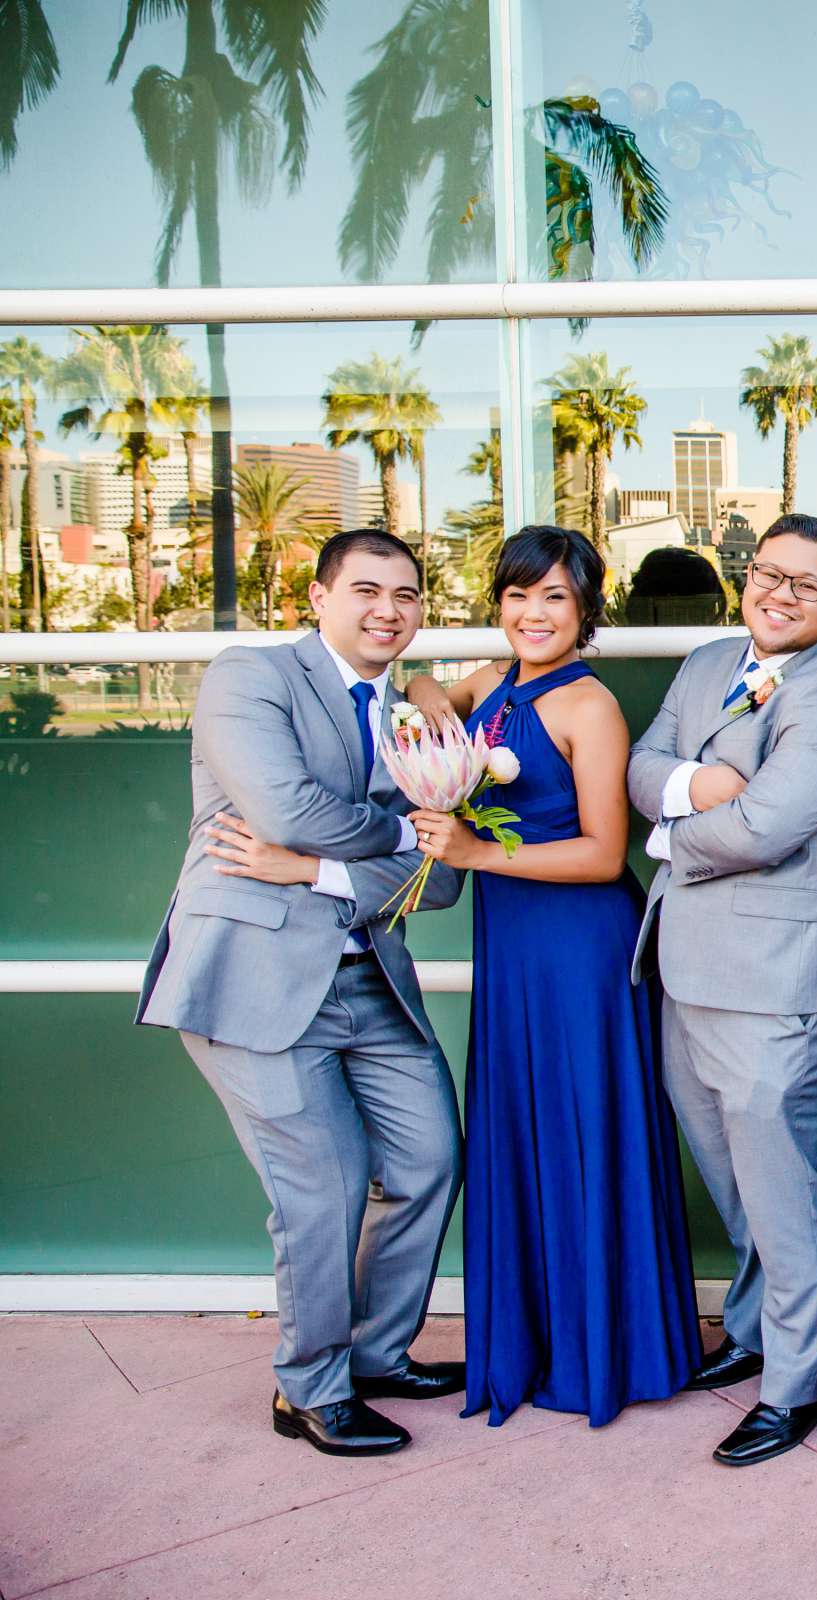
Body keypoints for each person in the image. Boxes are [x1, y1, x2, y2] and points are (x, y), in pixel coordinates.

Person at [136, 528, 464, 1457]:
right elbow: (285, 811)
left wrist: (314, 871)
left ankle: (377, 1355)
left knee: (430, 1159)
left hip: (370, 981)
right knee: (320, 1189)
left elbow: (441, 880)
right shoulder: (252, 677)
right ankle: (310, 1388)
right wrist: (390, 838)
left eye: (406, 596)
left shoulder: (413, 720)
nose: (387, 611)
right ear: (317, 599)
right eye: (365, 590)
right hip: (255, 983)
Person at [402, 525, 700, 1428]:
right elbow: (422, 689)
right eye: (518, 595)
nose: (533, 614)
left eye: (555, 599)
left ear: (585, 612)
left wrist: (475, 850)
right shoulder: (493, 683)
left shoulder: (589, 706)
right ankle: (533, 1339)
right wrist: (433, 718)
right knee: (525, 1127)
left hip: (578, 949)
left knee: (581, 1128)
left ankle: (600, 1346)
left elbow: (607, 853)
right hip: (514, 948)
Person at [628, 512, 817, 1467]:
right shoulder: (703, 665)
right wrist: (701, 785)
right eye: (768, 574)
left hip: (777, 983)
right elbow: (639, 768)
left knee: (780, 1186)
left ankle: (799, 1380)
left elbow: (765, 829)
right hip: (684, 963)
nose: (781, 594)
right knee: (730, 1177)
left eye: (806, 585)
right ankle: (754, 1330)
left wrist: (668, 827)